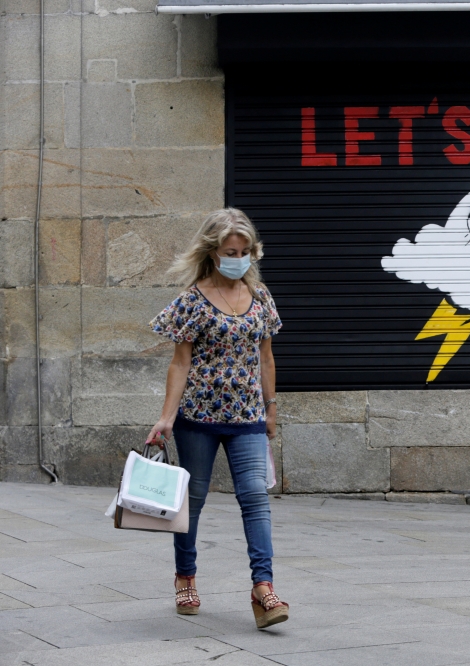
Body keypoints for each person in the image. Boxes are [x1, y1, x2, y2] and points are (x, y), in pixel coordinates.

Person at [146, 208, 289, 629]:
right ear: (213, 252)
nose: (238, 259)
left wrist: (271, 408)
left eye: (245, 252)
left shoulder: (260, 297)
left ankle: (263, 587)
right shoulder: (192, 301)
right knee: (192, 501)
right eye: (230, 252)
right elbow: (180, 363)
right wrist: (166, 417)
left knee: (255, 498)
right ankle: (185, 577)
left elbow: (266, 357)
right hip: (198, 418)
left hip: (247, 416)